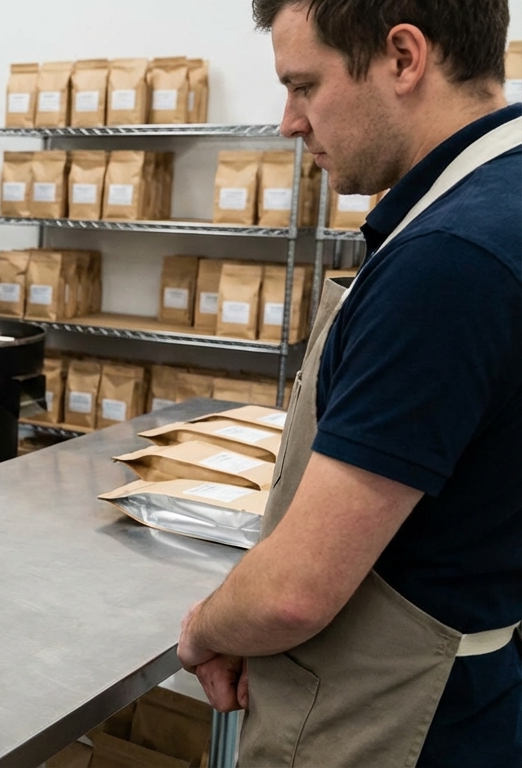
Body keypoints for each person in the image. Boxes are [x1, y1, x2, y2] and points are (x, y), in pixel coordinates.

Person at [177, 1, 522, 765]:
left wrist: (208, 627)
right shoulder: (502, 204)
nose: (288, 122)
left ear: (404, 58)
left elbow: (293, 592)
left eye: (304, 86)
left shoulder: (450, 260)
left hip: (402, 721)